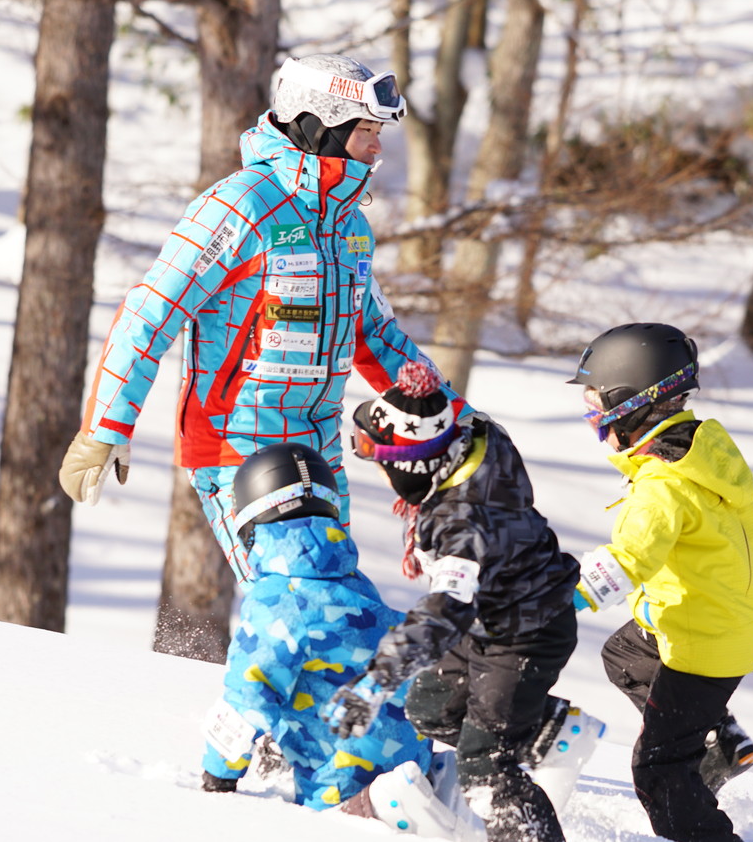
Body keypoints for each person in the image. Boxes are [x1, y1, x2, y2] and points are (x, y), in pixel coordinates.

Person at [57, 54, 461, 585]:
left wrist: (454, 417)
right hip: (241, 445)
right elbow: (149, 312)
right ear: (319, 126)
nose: (376, 147)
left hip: (319, 448)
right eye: (366, 130)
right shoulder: (240, 205)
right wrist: (105, 427)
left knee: (332, 597)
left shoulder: (350, 225)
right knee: (297, 598)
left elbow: (376, 337)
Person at [321, 361, 602, 842]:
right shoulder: (475, 439)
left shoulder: (463, 524)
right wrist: (418, 392)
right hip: (489, 617)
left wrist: (376, 681)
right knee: (430, 708)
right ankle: (552, 730)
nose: (380, 472)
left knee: (485, 769)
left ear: (407, 467)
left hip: (525, 633)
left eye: (378, 456)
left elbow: (443, 613)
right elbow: (451, 410)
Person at [199, 441, 482, 840]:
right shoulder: (355, 583)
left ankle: (380, 804)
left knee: (332, 817)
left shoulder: (278, 598)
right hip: (409, 747)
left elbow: (247, 699)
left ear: (253, 528)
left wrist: (218, 776)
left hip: (341, 780)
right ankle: (427, 787)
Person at [566, 322, 753, 842]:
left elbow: (629, 559)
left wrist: (556, 594)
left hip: (702, 646)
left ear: (631, 405)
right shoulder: (701, 454)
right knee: (625, 655)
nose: (592, 420)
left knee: (658, 771)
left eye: (596, 409)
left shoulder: (662, 484)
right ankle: (716, 740)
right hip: (718, 622)